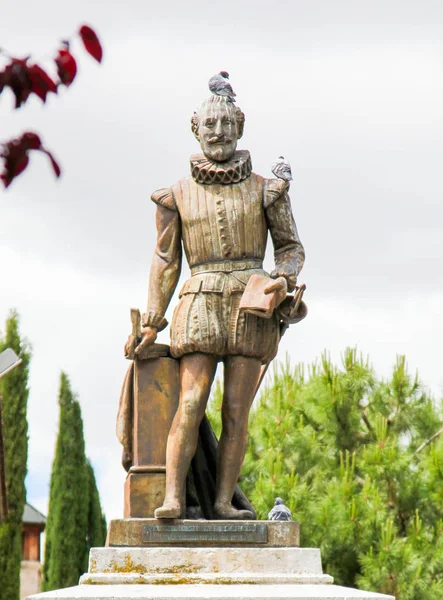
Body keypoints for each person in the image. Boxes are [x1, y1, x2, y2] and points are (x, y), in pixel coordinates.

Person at [131, 95, 305, 519]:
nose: (218, 131)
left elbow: (290, 247)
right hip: (200, 301)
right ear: (196, 128)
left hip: (252, 302)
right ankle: (173, 497)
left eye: (227, 123)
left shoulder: (268, 189)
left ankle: (223, 502)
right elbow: (165, 260)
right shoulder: (175, 195)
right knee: (190, 401)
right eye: (210, 123)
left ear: (240, 127)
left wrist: (282, 282)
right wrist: (152, 321)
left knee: (235, 411)